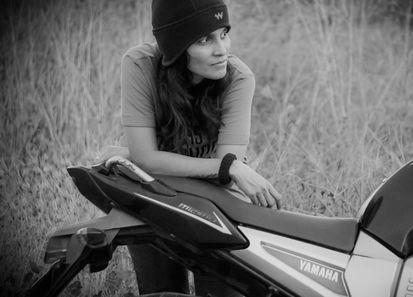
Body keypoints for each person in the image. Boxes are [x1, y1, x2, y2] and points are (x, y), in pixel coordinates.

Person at [95, 0, 282, 295]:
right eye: (205, 39)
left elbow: (218, 168)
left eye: (224, 33)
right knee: (161, 291)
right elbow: (221, 165)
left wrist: (137, 158)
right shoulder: (140, 65)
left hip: (217, 211)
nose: (222, 49)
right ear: (177, 47)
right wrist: (229, 166)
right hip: (153, 199)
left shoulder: (238, 78)